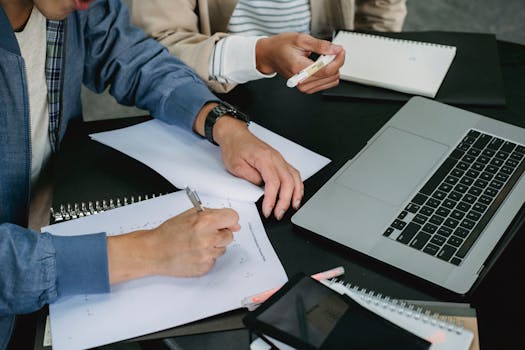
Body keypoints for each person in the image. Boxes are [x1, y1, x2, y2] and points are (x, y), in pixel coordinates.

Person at [0, 0, 303, 347]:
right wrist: (149, 250)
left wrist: (222, 123)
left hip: (53, 221)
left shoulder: (74, 7)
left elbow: (128, 55)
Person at [131, 0, 407, 94]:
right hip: (215, 85)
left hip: (326, 78)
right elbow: (156, 47)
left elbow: (380, 9)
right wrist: (259, 55)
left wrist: (362, 55)